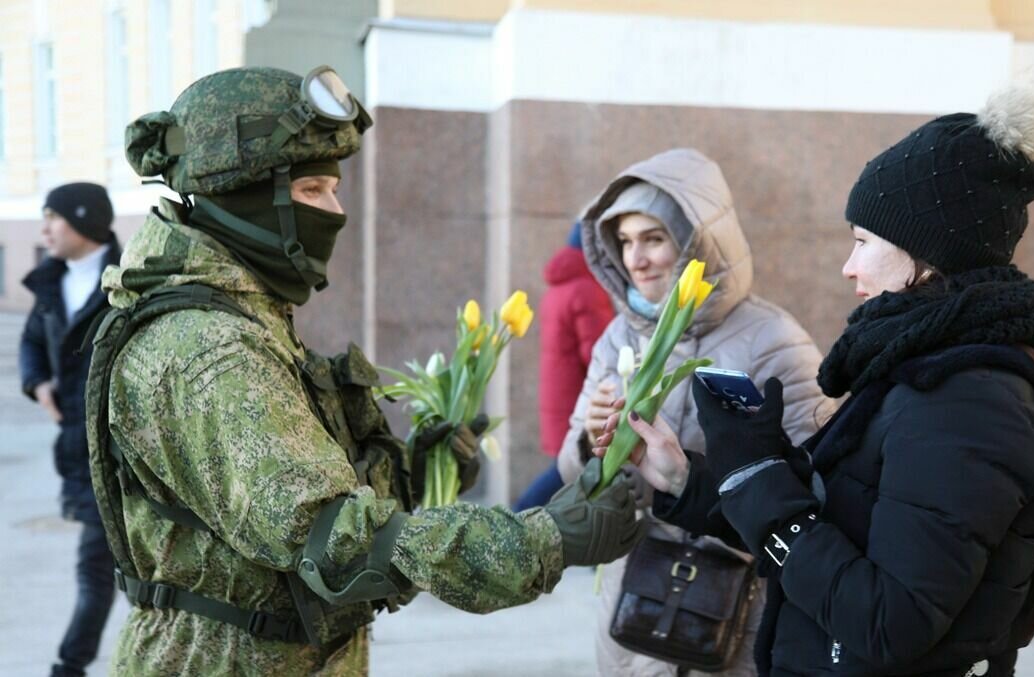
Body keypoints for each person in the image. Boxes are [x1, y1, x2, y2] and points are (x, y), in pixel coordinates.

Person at [86, 66, 643, 675]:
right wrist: (544, 541)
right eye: (312, 192)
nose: (337, 211)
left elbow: (287, 501)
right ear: (242, 194)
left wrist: (416, 474)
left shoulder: (242, 315)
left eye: (333, 188)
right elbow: (333, 544)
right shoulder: (206, 351)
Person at [602, 82, 1034, 676]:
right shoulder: (919, 371)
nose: (849, 266)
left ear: (927, 255)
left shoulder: (969, 404)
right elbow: (830, 533)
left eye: (864, 242)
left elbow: (886, 621)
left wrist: (755, 473)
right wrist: (688, 479)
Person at [558, 147, 829, 676]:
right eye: (625, 242)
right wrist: (590, 444)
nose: (636, 259)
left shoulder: (773, 339)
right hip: (633, 607)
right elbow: (575, 475)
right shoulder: (618, 337)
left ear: (700, 240)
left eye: (654, 239)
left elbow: (814, 481)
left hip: (729, 610)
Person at [19, 182, 121, 677]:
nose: (44, 230)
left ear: (83, 220)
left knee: (98, 567)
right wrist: (37, 383)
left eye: (52, 219)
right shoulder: (50, 282)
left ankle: (70, 665)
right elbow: (33, 342)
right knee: (101, 567)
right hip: (77, 452)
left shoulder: (129, 279)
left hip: (123, 456)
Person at [514, 221, 614, 511]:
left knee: (564, 473)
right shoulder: (587, 289)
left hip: (559, 397)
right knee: (562, 474)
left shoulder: (559, 287)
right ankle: (517, 517)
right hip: (578, 403)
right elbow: (599, 353)